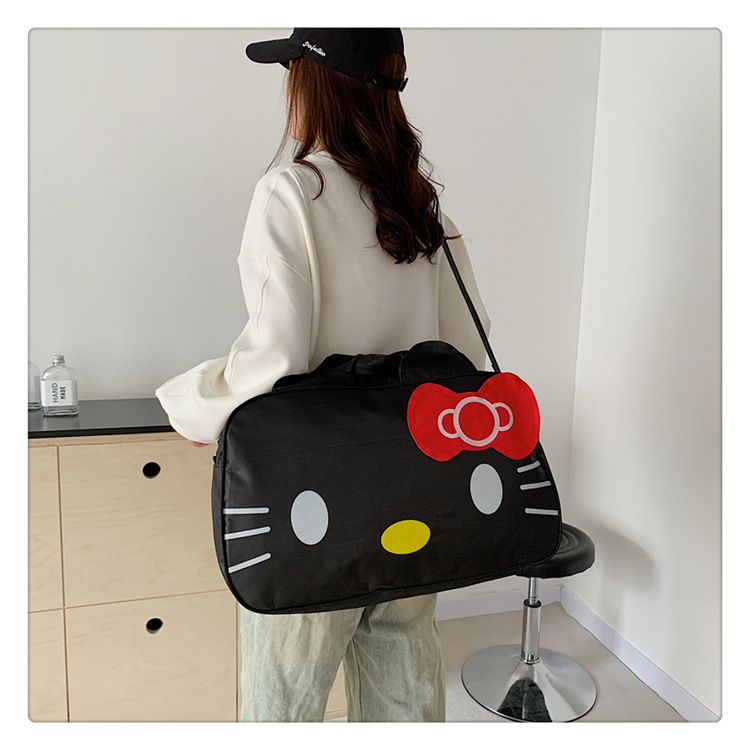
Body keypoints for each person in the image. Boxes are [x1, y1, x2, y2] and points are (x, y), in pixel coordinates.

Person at [155, 28, 491, 722]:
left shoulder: (291, 193)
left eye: (290, 71)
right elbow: (466, 357)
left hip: (311, 502)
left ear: (312, 82)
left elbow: (271, 364)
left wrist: (193, 405)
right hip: (414, 487)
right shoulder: (422, 207)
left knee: (284, 703)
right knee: (405, 696)